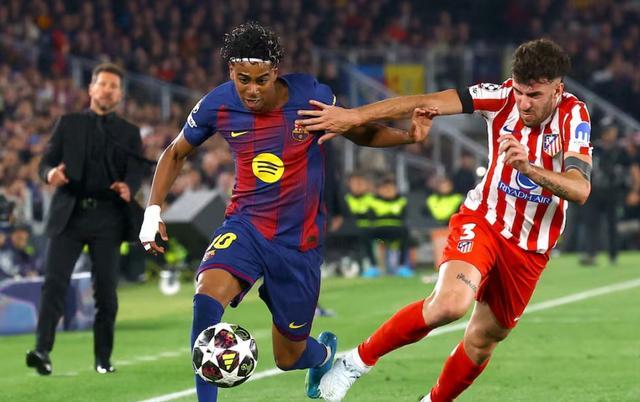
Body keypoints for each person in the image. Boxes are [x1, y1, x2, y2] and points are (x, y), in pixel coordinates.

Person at [137, 22, 435, 402]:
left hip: (298, 242)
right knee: (206, 300)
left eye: (261, 80)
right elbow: (176, 151)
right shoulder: (217, 104)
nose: (252, 90)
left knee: (288, 356)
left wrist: (408, 136)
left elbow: (358, 131)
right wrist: (153, 211)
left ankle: (322, 355)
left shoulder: (310, 96)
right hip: (245, 225)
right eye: (243, 79)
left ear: (276, 72)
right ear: (231, 71)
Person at [298, 38, 593, 401]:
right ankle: (354, 363)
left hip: (530, 248)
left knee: (483, 340)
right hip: (484, 221)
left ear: (557, 90)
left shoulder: (574, 116)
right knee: (450, 304)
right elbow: (426, 101)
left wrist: (528, 168)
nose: (523, 103)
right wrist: (354, 116)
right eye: (519, 91)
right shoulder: (499, 98)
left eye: (534, 95)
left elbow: (580, 189)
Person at [26, 63, 144, 376]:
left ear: (120, 94)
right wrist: (50, 173)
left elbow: (137, 170)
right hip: (69, 214)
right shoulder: (68, 123)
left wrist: (129, 186)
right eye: (102, 84)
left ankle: (103, 359)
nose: (107, 90)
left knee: (106, 292)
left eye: (113, 86)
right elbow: (45, 162)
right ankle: (41, 351)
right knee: (54, 283)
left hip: (108, 218)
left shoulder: (130, 133)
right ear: (91, 88)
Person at [579, 119, 629, 266]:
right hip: (594, 192)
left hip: (613, 192)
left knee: (612, 224)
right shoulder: (594, 148)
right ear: (603, 133)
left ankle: (613, 254)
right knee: (591, 223)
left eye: (613, 131)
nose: (611, 134)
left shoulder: (620, 150)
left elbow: (629, 169)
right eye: (609, 131)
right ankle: (591, 254)